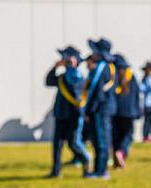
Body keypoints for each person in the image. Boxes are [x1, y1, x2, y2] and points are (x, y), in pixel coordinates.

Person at [45, 46, 89, 178]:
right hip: (60, 114)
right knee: (57, 144)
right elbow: (48, 81)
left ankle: (86, 160)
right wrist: (55, 67)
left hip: (73, 116)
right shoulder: (62, 76)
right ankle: (56, 171)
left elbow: (77, 94)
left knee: (73, 143)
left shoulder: (79, 77)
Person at [82, 46, 114, 179]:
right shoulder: (99, 68)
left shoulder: (103, 68)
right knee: (96, 141)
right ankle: (97, 169)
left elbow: (99, 93)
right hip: (96, 110)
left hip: (101, 109)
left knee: (102, 141)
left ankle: (102, 171)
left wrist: (89, 109)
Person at [110, 54, 141, 169]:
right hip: (129, 112)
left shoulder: (113, 77)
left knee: (116, 136)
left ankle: (116, 158)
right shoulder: (131, 77)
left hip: (116, 112)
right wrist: (138, 111)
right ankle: (121, 153)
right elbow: (137, 95)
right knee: (127, 135)